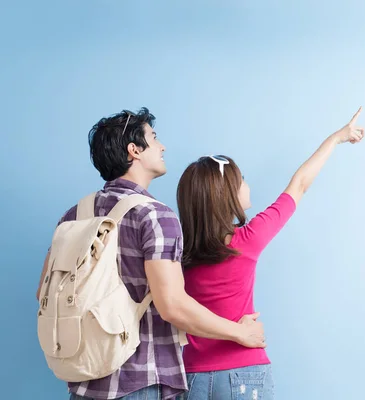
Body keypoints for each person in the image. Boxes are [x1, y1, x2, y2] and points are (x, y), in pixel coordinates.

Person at [36, 108, 266, 400]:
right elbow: (172, 306)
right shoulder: (155, 216)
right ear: (135, 150)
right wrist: (240, 333)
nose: (162, 147)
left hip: (84, 379)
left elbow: (44, 293)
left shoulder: (74, 215)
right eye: (154, 138)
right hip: (138, 381)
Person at [176, 107, 365, 399]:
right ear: (228, 194)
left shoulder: (177, 251)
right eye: (243, 180)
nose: (247, 185)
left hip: (189, 378)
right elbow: (300, 184)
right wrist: (337, 138)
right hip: (243, 371)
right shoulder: (248, 239)